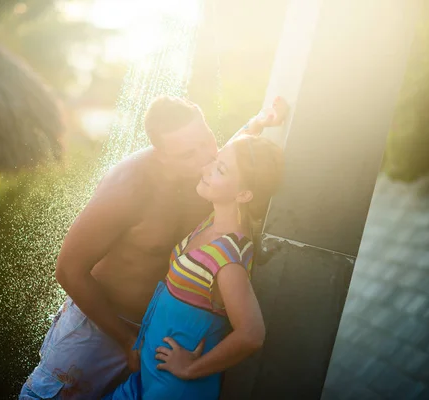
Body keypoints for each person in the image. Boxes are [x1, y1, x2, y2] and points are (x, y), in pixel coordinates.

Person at [19, 96, 288, 400]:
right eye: (189, 153)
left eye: (207, 140)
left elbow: (232, 164)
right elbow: (68, 269)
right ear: (162, 155)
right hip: (98, 328)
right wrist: (126, 340)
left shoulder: (204, 176)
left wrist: (260, 122)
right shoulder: (129, 186)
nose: (206, 158)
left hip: (155, 337)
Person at [103, 131, 285, 400]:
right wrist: (260, 122)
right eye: (216, 159)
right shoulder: (214, 221)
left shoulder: (228, 256)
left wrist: (191, 369)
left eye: (219, 169)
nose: (206, 168)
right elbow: (239, 164)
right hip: (147, 379)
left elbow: (252, 334)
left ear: (244, 194)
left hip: (174, 390)